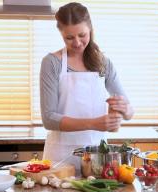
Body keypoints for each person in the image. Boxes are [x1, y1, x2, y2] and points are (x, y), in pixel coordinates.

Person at [40, 3, 134, 174]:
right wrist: (93, 123)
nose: (77, 42)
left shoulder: (103, 63)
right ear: (61, 34)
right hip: (60, 158)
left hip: (97, 157)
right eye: (69, 38)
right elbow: (49, 119)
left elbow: (129, 113)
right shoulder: (52, 63)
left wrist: (125, 109)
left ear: (90, 28)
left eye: (82, 35)